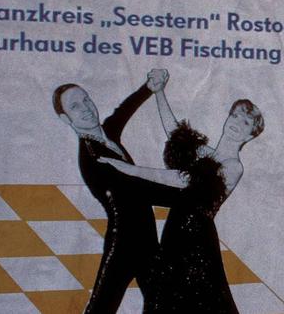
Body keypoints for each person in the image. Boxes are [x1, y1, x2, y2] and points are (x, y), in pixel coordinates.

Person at [99, 69, 264, 313]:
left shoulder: (234, 167)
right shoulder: (205, 154)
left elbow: (179, 179)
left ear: (251, 135)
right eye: (235, 116)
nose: (237, 123)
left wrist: (127, 169)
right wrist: (159, 92)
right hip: (174, 234)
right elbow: (174, 131)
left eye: (246, 122)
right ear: (227, 119)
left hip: (197, 241)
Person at [53, 75, 179, 313]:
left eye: (86, 99)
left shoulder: (106, 134)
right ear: (65, 119)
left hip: (146, 241)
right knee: (102, 307)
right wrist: (187, 194)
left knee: (163, 303)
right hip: (125, 243)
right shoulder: (92, 157)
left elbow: (122, 112)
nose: (86, 108)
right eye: (75, 107)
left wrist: (148, 88)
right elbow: (141, 192)